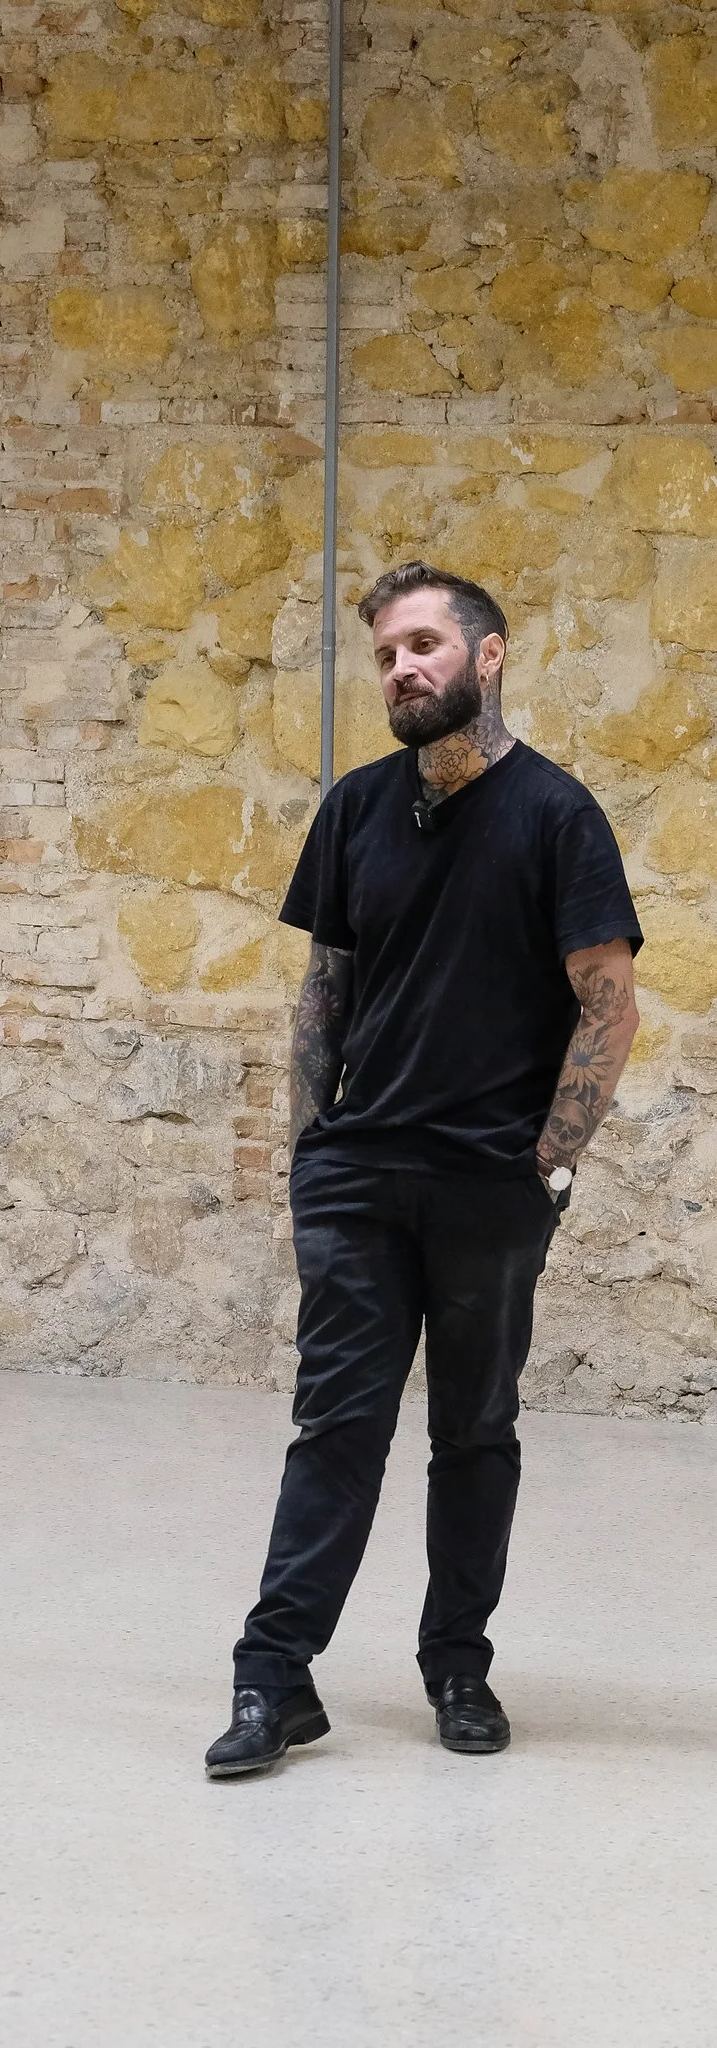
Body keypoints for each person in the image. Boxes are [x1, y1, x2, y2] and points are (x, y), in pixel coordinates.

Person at [205, 560, 642, 1777]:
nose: (400, 668)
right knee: (333, 1426)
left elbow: (608, 1005)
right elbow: (324, 993)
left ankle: (456, 1665)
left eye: (422, 645)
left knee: (475, 1430)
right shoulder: (354, 808)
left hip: (488, 1186)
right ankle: (272, 1677)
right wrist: (310, 1151)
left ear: (486, 656)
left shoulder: (556, 814)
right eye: (386, 653)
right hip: (357, 1177)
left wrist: (546, 1166)